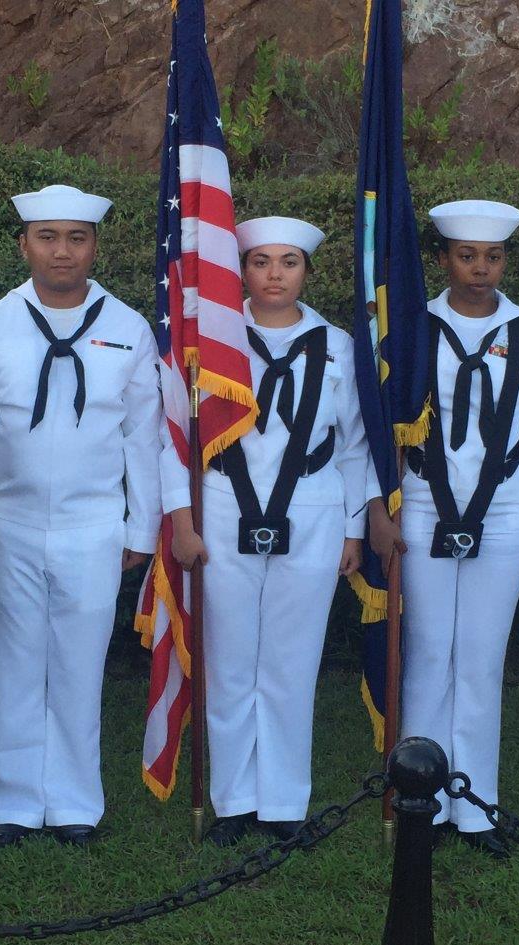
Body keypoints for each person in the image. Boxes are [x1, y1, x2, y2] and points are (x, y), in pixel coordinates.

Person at [0, 184, 161, 848]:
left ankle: (75, 800)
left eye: (76, 238)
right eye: (47, 238)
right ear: (23, 245)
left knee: (80, 665)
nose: (62, 252)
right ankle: (15, 803)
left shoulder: (128, 328)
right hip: (9, 526)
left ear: (95, 246)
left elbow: (144, 435)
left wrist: (141, 529)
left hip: (93, 526)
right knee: (14, 662)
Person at [368, 200, 519, 859]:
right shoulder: (413, 329)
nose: (481, 269)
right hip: (423, 501)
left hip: (503, 507)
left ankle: (475, 807)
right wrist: (382, 509)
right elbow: (386, 424)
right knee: (426, 651)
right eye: (467, 256)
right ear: (443, 259)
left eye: (494, 257)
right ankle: (420, 793)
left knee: (480, 657)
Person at [168, 216, 369, 845]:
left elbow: (356, 444)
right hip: (227, 505)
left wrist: (353, 528)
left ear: (307, 272)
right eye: (260, 262)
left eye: (289, 262)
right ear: (241, 270)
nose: (274, 274)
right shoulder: (214, 343)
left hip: (311, 509)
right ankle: (232, 799)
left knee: (291, 659)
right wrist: (182, 517)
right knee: (229, 659)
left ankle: (283, 800)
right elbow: (171, 434)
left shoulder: (340, 345)